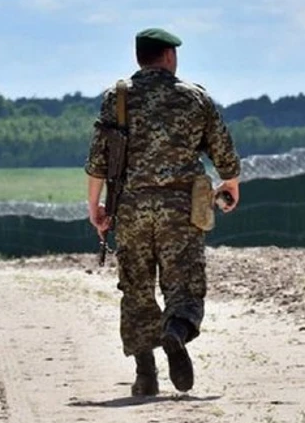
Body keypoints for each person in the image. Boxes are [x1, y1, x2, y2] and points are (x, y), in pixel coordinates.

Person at [83, 27, 242, 397]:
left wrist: (96, 207)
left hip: (131, 209)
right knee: (184, 286)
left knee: (137, 291)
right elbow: (224, 155)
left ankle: (145, 375)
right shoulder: (194, 99)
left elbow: (97, 162)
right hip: (181, 211)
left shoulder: (117, 99)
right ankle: (175, 332)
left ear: (140, 57)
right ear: (169, 56)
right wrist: (230, 184)